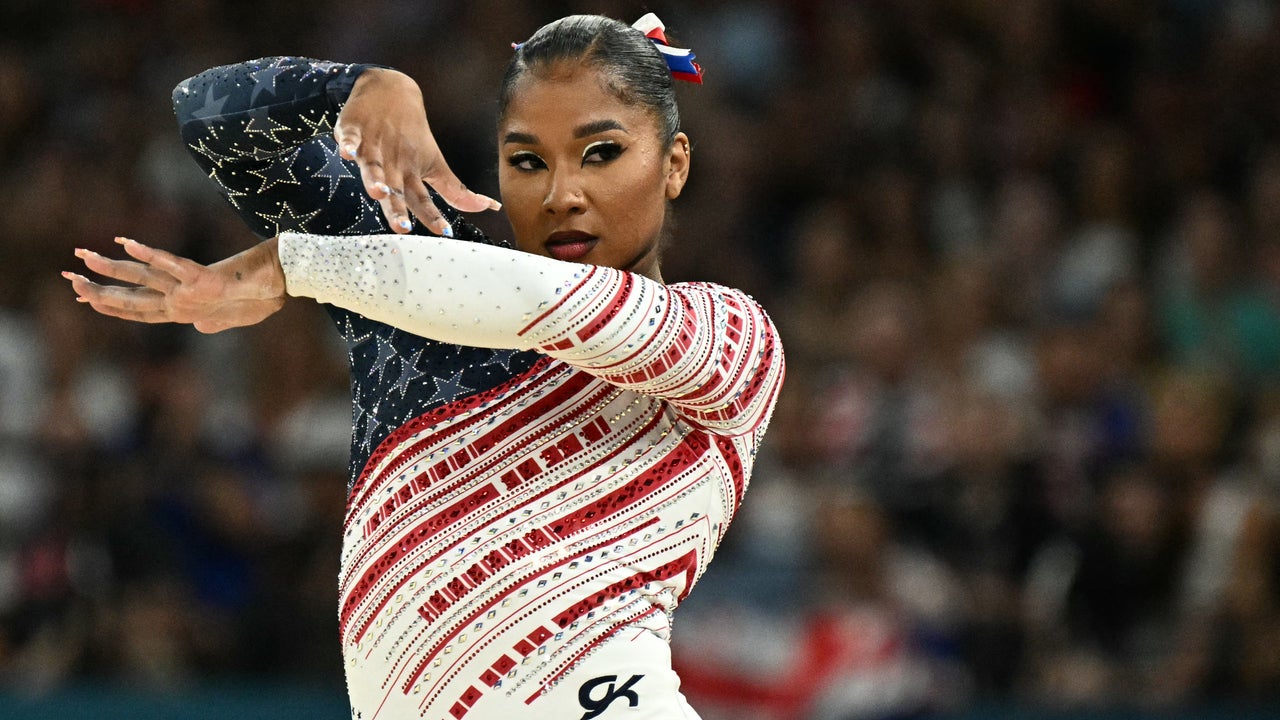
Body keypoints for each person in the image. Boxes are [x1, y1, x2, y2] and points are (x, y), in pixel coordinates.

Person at [64, 13, 785, 720]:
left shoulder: (729, 336)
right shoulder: (409, 303)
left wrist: (293, 264)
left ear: (674, 163)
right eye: (527, 161)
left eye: (601, 154)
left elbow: (540, 300)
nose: (562, 195)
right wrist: (355, 87)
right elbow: (204, 113)